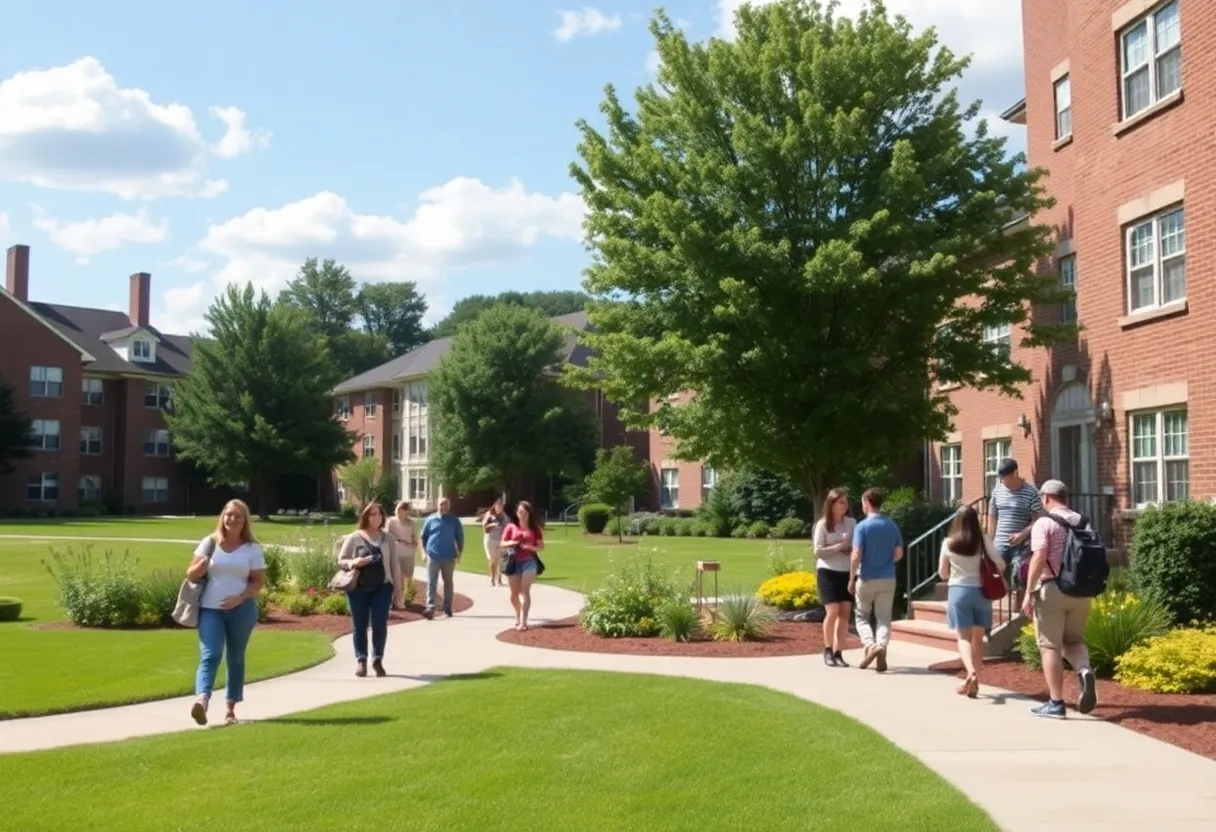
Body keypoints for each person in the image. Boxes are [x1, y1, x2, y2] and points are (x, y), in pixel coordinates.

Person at [1022, 479, 1098, 719]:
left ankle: (1056, 702)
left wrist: (1028, 591)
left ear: (1045, 498)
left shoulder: (1043, 523)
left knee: (1049, 646)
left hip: (1052, 589)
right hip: (1082, 591)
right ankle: (1084, 670)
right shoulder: (1082, 522)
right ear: (1066, 497)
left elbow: (1039, 555)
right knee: (1073, 640)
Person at [186, 499, 266, 726]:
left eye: (237, 516)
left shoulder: (252, 548)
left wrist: (239, 598)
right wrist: (201, 566)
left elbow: (258, 582)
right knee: (210, 655)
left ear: (244, 521)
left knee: (235, 658)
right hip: (210, 610)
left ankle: (230, 709)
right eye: (228, 514)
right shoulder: (209, 543)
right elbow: (191, 575)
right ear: (222, 517)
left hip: (242, 610)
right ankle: (202, 701)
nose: (232, 519)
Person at [938, 505, 1005, 698]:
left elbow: (942, 573)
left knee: (963, 637)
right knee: (978, 638)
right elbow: (1001, 563)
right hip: (982, 592)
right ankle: (974, 684)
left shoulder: (948, 542)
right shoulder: (982, 540)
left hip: (958, 591)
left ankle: (970, 672)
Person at [336, 502, 402, 677]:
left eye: (379, 514)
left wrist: (399, 591)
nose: (376, 517)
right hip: (358, 587)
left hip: (383, 586)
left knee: (380, 623)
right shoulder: (354, 537)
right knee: (360, 624)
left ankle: (377, 659)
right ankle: (361, 660)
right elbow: (341, 560)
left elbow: (394, 564)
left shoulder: (388, 538)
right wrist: (353, 562)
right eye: (372, 514)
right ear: (365, 516)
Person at [848, 488, 904, 673]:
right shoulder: (891, 525)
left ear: (867, 503)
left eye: (863, 502)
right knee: (884, 618)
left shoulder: (862, 527)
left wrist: (851, 577)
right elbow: (899, 554)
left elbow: (856, 554)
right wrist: (886, 562)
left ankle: (870, 645)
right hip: (888, 577)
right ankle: (881, 646)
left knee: (862, 615)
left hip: (866, 577)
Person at [812, 488, 855, 667]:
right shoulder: (822, 525)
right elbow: (818, 551)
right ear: (832, 504)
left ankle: (839, 652)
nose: (845, 506)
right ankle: (828, 649)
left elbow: (856, 545)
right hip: (827, 572)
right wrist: (838, 546)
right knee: (833, 611)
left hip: (846, 572)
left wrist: (850, 548)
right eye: (841, 502)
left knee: (845, 612)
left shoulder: (852, 523)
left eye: (846, 502)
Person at [987, 458, 1042, 593]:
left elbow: (1038, 520)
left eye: (1005, 478)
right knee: (994, 578)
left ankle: (1018, 611)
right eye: (1001, 478)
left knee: (1018, 580)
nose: (1003, 481)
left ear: (1015, 473)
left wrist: (1023, 534)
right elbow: (992, 517)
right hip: (999, 543)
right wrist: (989, 542)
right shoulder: (997, 491)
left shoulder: (1031, 492)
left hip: (1021, 545)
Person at [501, 500, 545, 631]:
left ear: (529, 514)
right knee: (514, 594)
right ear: (516, 513)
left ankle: (524, 621)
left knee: (525, 591)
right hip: (514, 561)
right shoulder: (511, 527)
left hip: (529, 561)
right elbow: (502, 543)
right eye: (520, 512)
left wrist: (531, 547)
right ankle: (517, 614)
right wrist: (512, 542)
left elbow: (541, 546)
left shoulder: (534, 528)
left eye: (525, 512)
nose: (523, 514)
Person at [420, 497, 464, 619]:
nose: (443, 507)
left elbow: (460, 538)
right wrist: (423, 553)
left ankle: (447, 608)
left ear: (449, 506)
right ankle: (430, 607)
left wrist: (459, 553)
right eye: (441, 504)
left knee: (448, 583)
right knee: (431, 582)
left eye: (446, 504)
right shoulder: (430, 519)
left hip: (448, 556)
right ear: (437, 504)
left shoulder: (454, 520)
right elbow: (423, 537)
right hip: (433, 556)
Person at [385, 500, 417, 609]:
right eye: (399, 509)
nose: (401, 511)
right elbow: (387, 536)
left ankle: (402, 598)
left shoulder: (411, 523)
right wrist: (398, 539)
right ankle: (398, 601)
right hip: (396, 553)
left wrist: (414, 543)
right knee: (398, 578)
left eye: (404, 509)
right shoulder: (391, 521)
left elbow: (413, 536)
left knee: (409, 575)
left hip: (408, 553)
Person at [482, 499, 509, 587]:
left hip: (500, 540)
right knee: (492, 559)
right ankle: (492, 579)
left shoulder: (504, 516)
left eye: (501, 507)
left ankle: (499, 580)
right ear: (495, 506)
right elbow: (483, 525)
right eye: (498, 507)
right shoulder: (490, 514)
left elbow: (507, 527)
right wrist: (492, 525)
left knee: (499, 560)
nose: (499, 509)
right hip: (490, 539)